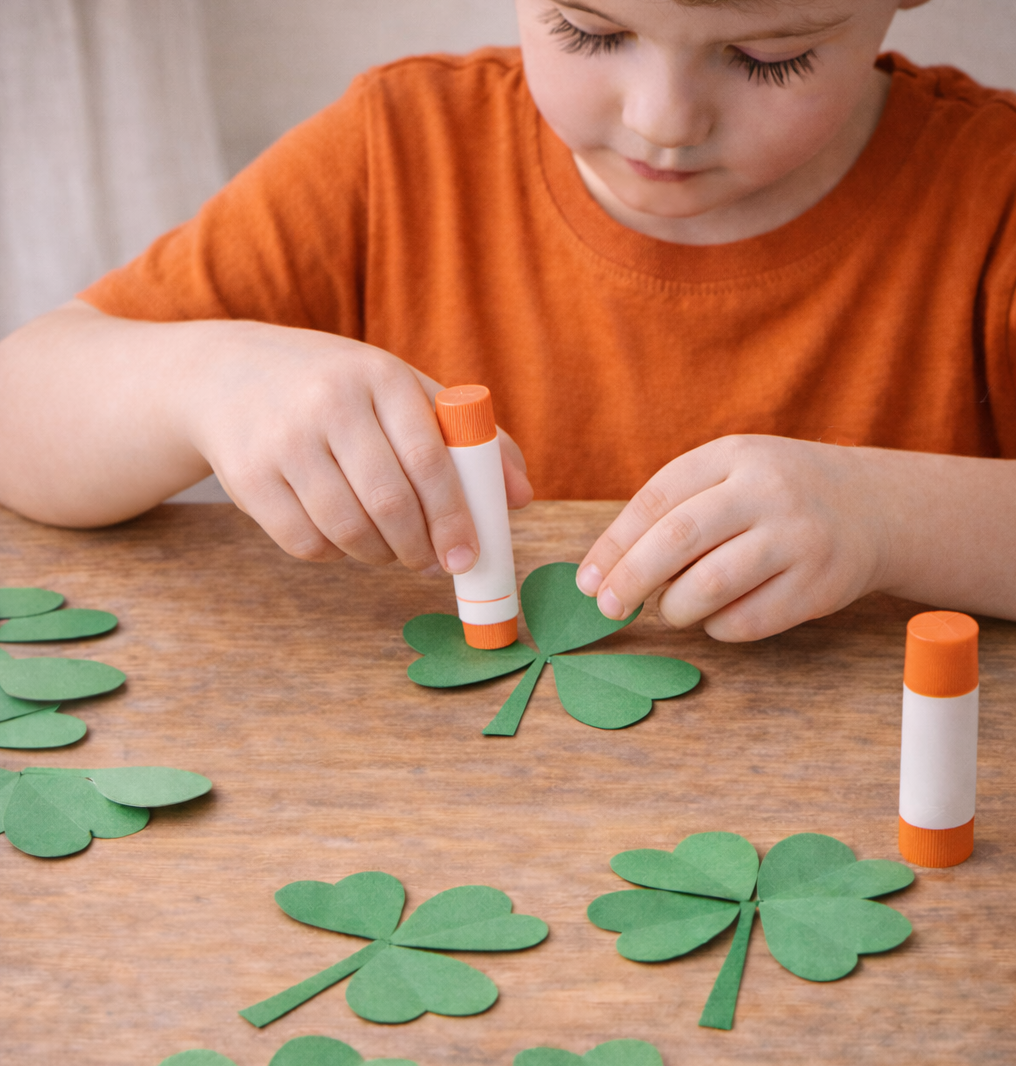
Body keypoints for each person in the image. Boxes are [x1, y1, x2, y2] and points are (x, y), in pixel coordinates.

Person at [1, 0, 1013, 642]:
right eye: (590, 31)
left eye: (766, 55)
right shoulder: (398, 153)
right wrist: (203, 382)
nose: (663, 119)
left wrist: (886, 516)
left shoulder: (989, 196)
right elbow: (21, 410)